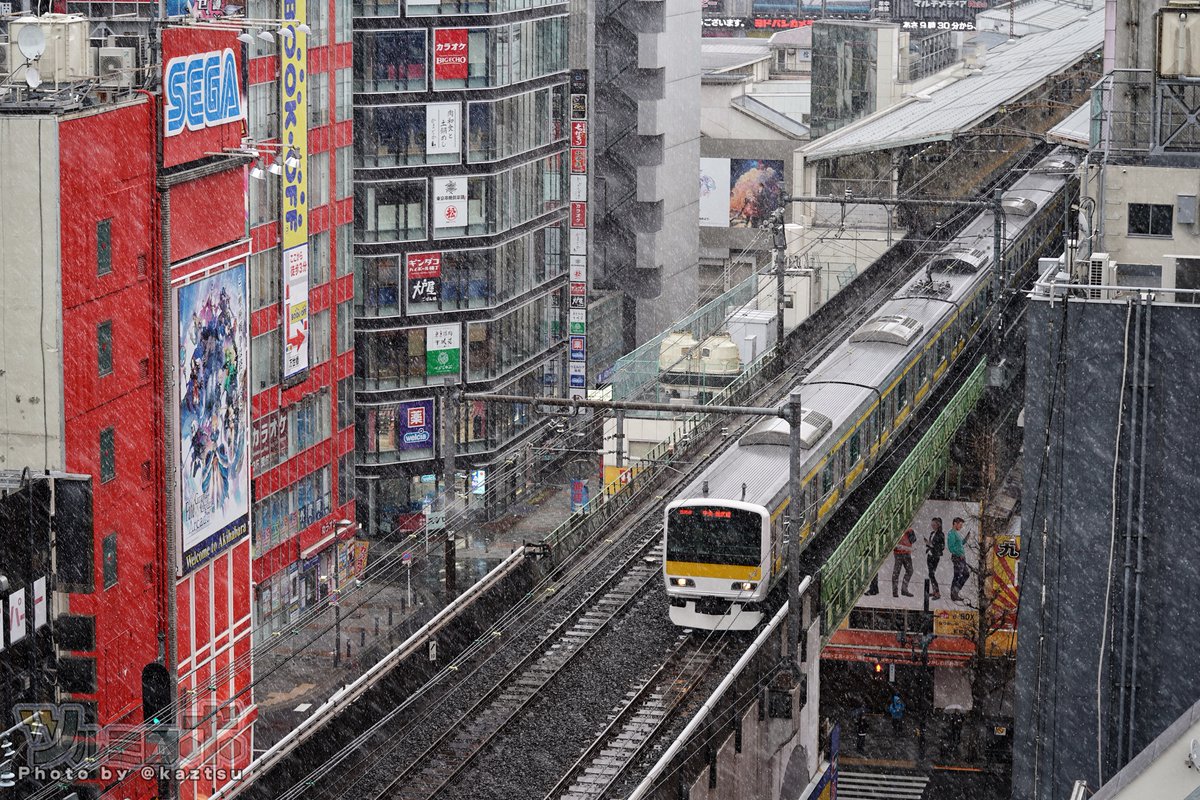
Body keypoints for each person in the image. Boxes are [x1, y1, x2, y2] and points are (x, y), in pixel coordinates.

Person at [949, 516, 971, 601]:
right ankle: (954, 593)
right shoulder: (951, 533)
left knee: (963, 574)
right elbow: (951, 547)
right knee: (958, 575)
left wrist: (966, 538)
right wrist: (959, 554)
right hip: (958, 557)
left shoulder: (956, 533)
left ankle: (955, 592)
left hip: (961, 557)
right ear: (955, 524)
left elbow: (960, 544)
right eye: (960, 524)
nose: (961, 527)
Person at [892, 528, 916, 597]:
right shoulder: (896, 529)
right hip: (899, 553)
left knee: (909, 570)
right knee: (896, 572)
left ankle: (903, 589)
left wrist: (909, 532)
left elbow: (913, 540)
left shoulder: (910, 530)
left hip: (906, 552)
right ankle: (896, 591)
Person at [925, 517, 945, 600]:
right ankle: (935, 591)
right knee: (931, 574)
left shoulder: (941, 534)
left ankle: (937, 592)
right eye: (932, 524)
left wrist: (932, 546)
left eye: (934, 524)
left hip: (935, 556)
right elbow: (931, 544)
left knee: (931, 574)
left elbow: (942, 546)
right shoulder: (932, 533)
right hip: (930, 555)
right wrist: (928, 544)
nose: (932, 526)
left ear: (938, 525)